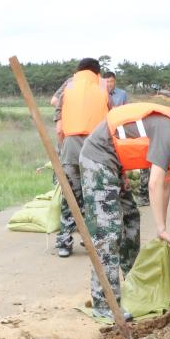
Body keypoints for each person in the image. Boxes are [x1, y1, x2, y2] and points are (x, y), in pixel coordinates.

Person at [79, 104, 170, 318]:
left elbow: (165, 184)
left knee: (131, 219)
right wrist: (160, 227)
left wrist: (162, 228)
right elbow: (153, 184)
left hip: (114, 165)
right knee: (107, 233)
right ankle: (104, 304)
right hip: (98, 159)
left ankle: (133, 282)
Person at [50, 59, 110, 258]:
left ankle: (64, 243)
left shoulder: (69, 84)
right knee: (93, 194)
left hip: (71, 146)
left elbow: (55, 104)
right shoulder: (102, 85)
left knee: (71, 196)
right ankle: (91, 239)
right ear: (97, 72)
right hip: (96, 146)